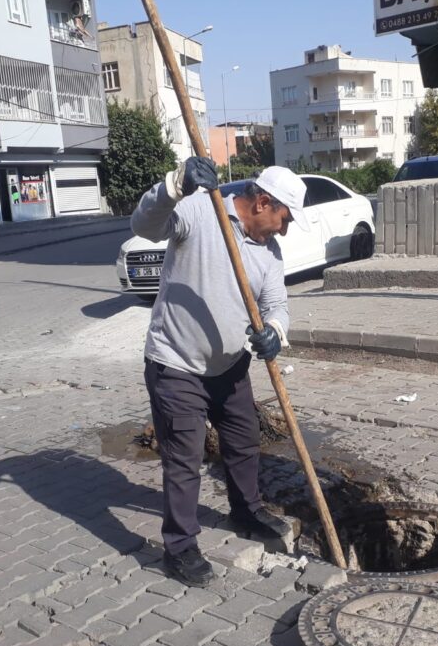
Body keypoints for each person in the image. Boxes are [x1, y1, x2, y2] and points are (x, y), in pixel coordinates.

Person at [132, 158, 311, 586]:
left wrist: (275, 331)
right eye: (284, 220)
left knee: (244, 441)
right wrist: (175, 184)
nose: (283, 230)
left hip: (229, 367)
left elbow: (276, 305)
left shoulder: (269, 253)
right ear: (263, 202)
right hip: (175, 363)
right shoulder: (200, 210)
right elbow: (145, 224)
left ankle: (246, 512)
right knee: (184, 457)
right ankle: (180, 546)